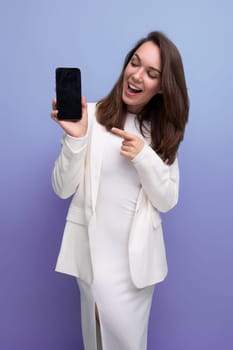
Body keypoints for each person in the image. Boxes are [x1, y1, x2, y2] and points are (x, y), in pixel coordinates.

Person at [51, 31, 189, 350]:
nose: (136, 75)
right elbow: (61, 188)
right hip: (93, 258)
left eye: (151, 73)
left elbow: (167, 200)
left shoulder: (162, 133)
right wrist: (76, 138)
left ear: (163, 86)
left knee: (128, 344)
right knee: (96, 341)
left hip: (135, 268)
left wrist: (144, 156)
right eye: (134, 63)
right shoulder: (93, 116)